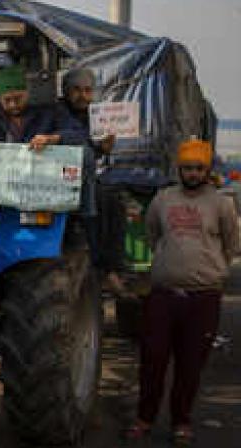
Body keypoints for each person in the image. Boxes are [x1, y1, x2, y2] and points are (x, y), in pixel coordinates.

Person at [126, 139, 238, 445]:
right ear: (179, 169)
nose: (192, 173)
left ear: (207, 169)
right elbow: (153, 234)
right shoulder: (163, 199)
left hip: (204, 298)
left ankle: (181, 422)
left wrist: (210, 269)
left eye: (198, 168)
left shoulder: (221, 204)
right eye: (187, 168)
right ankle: (144, 418)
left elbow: (231, 245)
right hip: (163, 295)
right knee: (153, 359)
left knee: (190, 365)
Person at [61, 68, 127, 294]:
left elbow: (93, 150)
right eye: (76, 90)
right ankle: (101, 265)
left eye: (88, 91)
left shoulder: (96, 115)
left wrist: (103, 147)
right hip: (58, 178)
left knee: (113, 203)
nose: (82, 95)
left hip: (86, 176)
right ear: (66, 91)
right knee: (94, 201)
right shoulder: (58, 113)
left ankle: (111, 269)